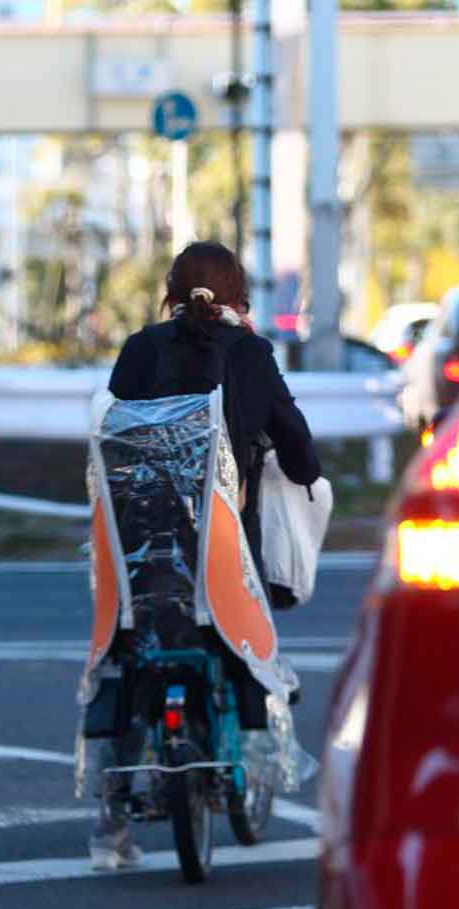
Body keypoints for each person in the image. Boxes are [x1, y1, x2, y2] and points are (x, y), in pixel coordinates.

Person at [90, 240, 321, 870]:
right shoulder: (247, 352)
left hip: (143, 551)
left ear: (169, 292)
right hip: (223, 552)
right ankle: (245, 754)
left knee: (131, 660)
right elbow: (299, 450)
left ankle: (109, 821)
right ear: (238, 298)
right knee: (242, 636)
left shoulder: (140, 350)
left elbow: (112, 431)